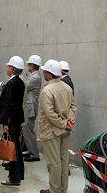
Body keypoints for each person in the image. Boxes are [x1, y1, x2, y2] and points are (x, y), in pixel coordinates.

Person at [38, 59, 76, 193]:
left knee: (54, 164)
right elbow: (73, 106)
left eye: (45, 72)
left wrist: (64, 123)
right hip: (65, 130)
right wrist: (70, 120)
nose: (43, 74)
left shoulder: (47, 91)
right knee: (63, 162)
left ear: (49, 74)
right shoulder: (67, 88)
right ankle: (62, 189)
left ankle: (55, 190)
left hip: (52, 131)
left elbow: (49, 114)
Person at [0, 56, 25, 186]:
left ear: (13, 69)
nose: (6, 68)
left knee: (12, 149)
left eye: (8, 66)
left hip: (11, 120)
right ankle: (20, 173)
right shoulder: (19, 82)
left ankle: (14, 177)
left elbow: (8, 104)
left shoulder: (11, 84)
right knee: (17, 148)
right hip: (17, 118)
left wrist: (5, 123)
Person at [23, 54, 42, 162]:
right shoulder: (34, 76)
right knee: (27, 131)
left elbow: (25, 87)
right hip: (30, 107)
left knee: (29, 130)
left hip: (31, 108)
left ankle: (35, 154)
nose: (27, 67)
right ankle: (31, 151)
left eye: (29, 65)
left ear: (32, 66)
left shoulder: (35, 77)